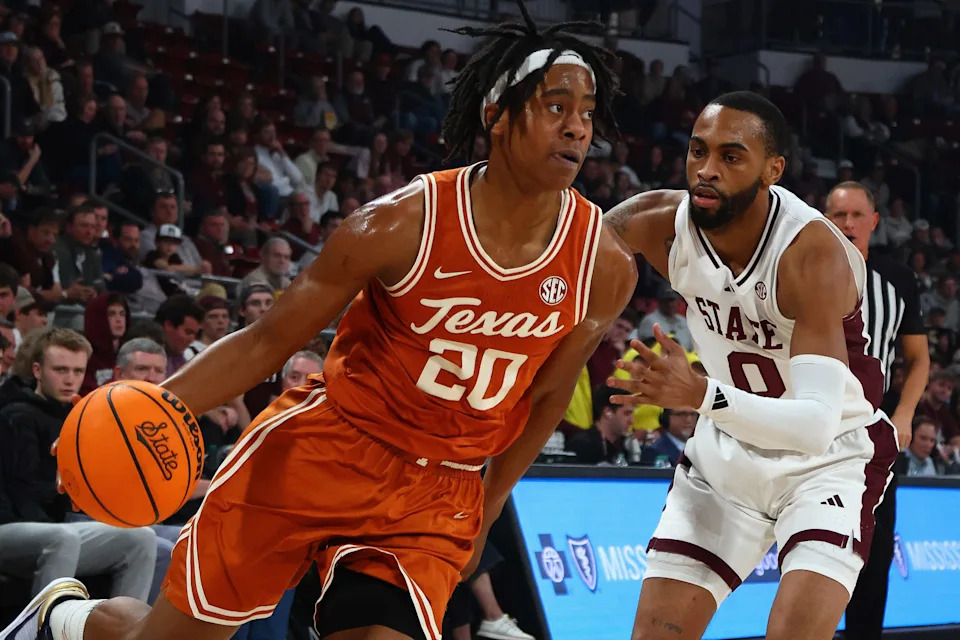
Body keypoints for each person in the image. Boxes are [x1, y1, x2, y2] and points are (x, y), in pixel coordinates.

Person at [2, 7, 636, 640]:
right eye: (556, 107)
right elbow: (267, 339)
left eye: (586, 113)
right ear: (496, 114)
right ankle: (64, 619)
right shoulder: (400, 224)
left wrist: (490, 504)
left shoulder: (603, 264)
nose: (577, 128)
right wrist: (141, 414)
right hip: (324, 449)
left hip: (435, 492)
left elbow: (548, 396)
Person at [604, 91, 898, 639]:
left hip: (827, 459)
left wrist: (700, 394)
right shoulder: (655, 222)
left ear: (772, 170)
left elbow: (813, 426)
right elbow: (562, 263)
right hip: (726, 453)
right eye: (698, 151)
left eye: (731, 156)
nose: (706, 169)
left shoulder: (810, 251)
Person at [824, 181, 929, 639]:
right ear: (824, 220)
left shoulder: (897, 279)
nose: (848, 223)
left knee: (877, 548)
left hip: (874, 428)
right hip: (815, 421)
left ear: (874, 221)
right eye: (839, 215)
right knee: (813, 544)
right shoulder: (801, 269)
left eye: (856, 215)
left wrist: (904, 415)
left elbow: (919, 359)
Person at [0, 328, 157, 600]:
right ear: (37, 370)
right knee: (63, 538)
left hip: (57, 526)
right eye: (60, 370)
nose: (70, 379)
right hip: (12, 524)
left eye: (78, 371)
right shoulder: (15, 415)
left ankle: (123, 622)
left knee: (141, 538)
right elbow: (22, 496)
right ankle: (43, 623)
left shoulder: (79, 417)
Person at [566, 386, 632, 465]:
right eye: (627, 414)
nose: (631, 421)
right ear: (608, 412)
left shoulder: (623, 448)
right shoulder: (582, 445)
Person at [183, 297, 232, 361]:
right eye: (213, 316)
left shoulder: (233, 349)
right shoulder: (189, 353)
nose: (221, 321)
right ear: (201, 323)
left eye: (224, 316)